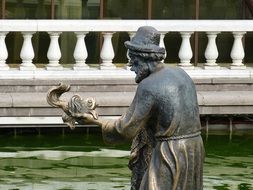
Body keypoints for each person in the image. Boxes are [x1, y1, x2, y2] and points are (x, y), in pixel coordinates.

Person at [72, 26, 204, 190]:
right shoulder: (181, 74)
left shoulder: (148, 85)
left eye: (133, 61)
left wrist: (94, 121)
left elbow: (126, 129)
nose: (131, 67)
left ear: (143, 58)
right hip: (194, 148)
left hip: (170, 153)